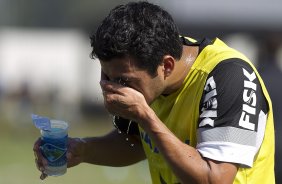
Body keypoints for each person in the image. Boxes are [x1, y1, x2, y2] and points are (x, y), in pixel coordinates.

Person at [33, 2, 275, 183]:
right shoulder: (149, 74)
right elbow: (137, 144)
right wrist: (83, 149)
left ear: (166, 66)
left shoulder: (230, 77)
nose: (111, 87)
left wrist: (146, 117)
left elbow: (215, 178)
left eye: (122, 80)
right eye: (106, 75)